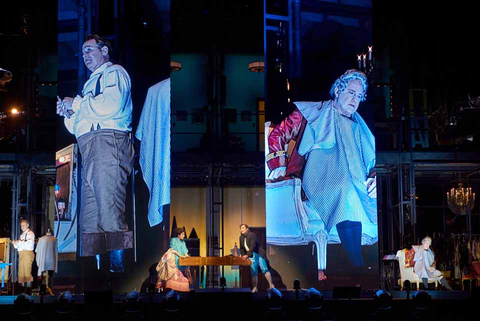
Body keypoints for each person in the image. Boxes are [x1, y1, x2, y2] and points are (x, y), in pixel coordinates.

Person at [266, 69, 377, 280]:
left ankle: (357, 265)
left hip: (354, 181)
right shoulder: (313, 113)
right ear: (338, 90)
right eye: (351, 93)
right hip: (315, 179)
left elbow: (372, 161)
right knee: (346, 191)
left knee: (356, 191)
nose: (355, 99)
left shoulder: (360, 127)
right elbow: (278, 134)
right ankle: (358, 265)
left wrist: (374, 176)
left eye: (359, 96)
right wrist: (278, 165)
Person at [56, 34, 134, 270]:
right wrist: (69, 113)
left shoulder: (115, 73)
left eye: (89, 49)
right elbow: (76, 127)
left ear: (105, 51)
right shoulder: (90, 83)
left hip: (107, 142)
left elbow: (111, 105)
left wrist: (77, 104)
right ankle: (97, 275)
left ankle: (119, 274)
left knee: (110, 211)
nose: (85, 55)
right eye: (83, 52)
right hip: (88, 146)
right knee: (90, 217)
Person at [239, 224, 275, 293]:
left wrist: (247, 255)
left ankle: (271, 285)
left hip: (258, 254)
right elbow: (242, 248)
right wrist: (243, 256)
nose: (241, 229)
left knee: (264, 269)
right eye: (241, 228)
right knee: (254, 272)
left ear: (247, 229)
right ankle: (255, 288)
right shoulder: (241, 238)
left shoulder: (252, 235)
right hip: (251, 256)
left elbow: (253, 246)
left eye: (243, 228)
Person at [11, 219, 35, 293]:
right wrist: (15, 242)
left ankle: (28, 290)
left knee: (27, 272)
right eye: (21, 226)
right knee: (21, 272)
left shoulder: (30, 233)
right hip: (21, 254)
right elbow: (17, 246)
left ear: (27, 225)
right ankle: (22, 290)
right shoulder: (22, 235)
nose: (22, 227)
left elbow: (29, 244)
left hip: (27, 254)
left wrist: (18, 242)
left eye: (24, 225)